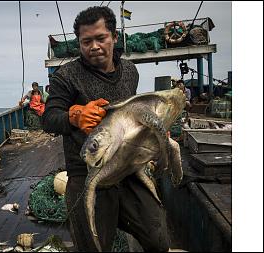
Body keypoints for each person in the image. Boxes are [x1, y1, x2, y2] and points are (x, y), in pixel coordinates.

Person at [42, 6, 170, 252]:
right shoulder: (66, 76)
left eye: (101, 38)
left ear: (113, 36)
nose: (94, 46)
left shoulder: (130, 71)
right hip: (88, 173)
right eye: (86, 41)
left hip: (129, 167)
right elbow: (49, 118)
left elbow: (136, 113)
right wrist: (75, 115)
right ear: (79, 43)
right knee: (94, 246)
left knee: (158, 239)